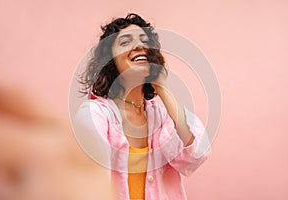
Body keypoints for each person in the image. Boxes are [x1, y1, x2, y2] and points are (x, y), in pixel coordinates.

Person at [74, 13, 211, 200]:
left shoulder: (162, 115)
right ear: (109, 61)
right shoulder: (94, 113)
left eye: (144, 40)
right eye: (125, 42)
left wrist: (163, 88)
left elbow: (195, 155)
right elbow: (90, 180)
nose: (139, 46)